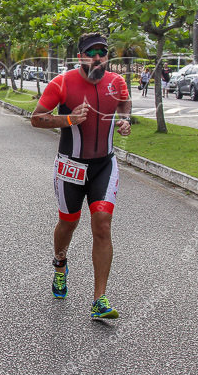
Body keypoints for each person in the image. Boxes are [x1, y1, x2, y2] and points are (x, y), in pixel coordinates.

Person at [30, 32, 131, 320]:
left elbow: (124, 105)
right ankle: (60, 263)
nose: (97, 57)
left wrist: (124, 120)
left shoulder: (117, 82)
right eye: (91, 53)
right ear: (80, 57)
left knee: (102, 223)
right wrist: (69, 119)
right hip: (70, 166)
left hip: (104, 165)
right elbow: (36, 118)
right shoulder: (61, 83)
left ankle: (99, 299)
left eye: (102, 52)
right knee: (68, 223)